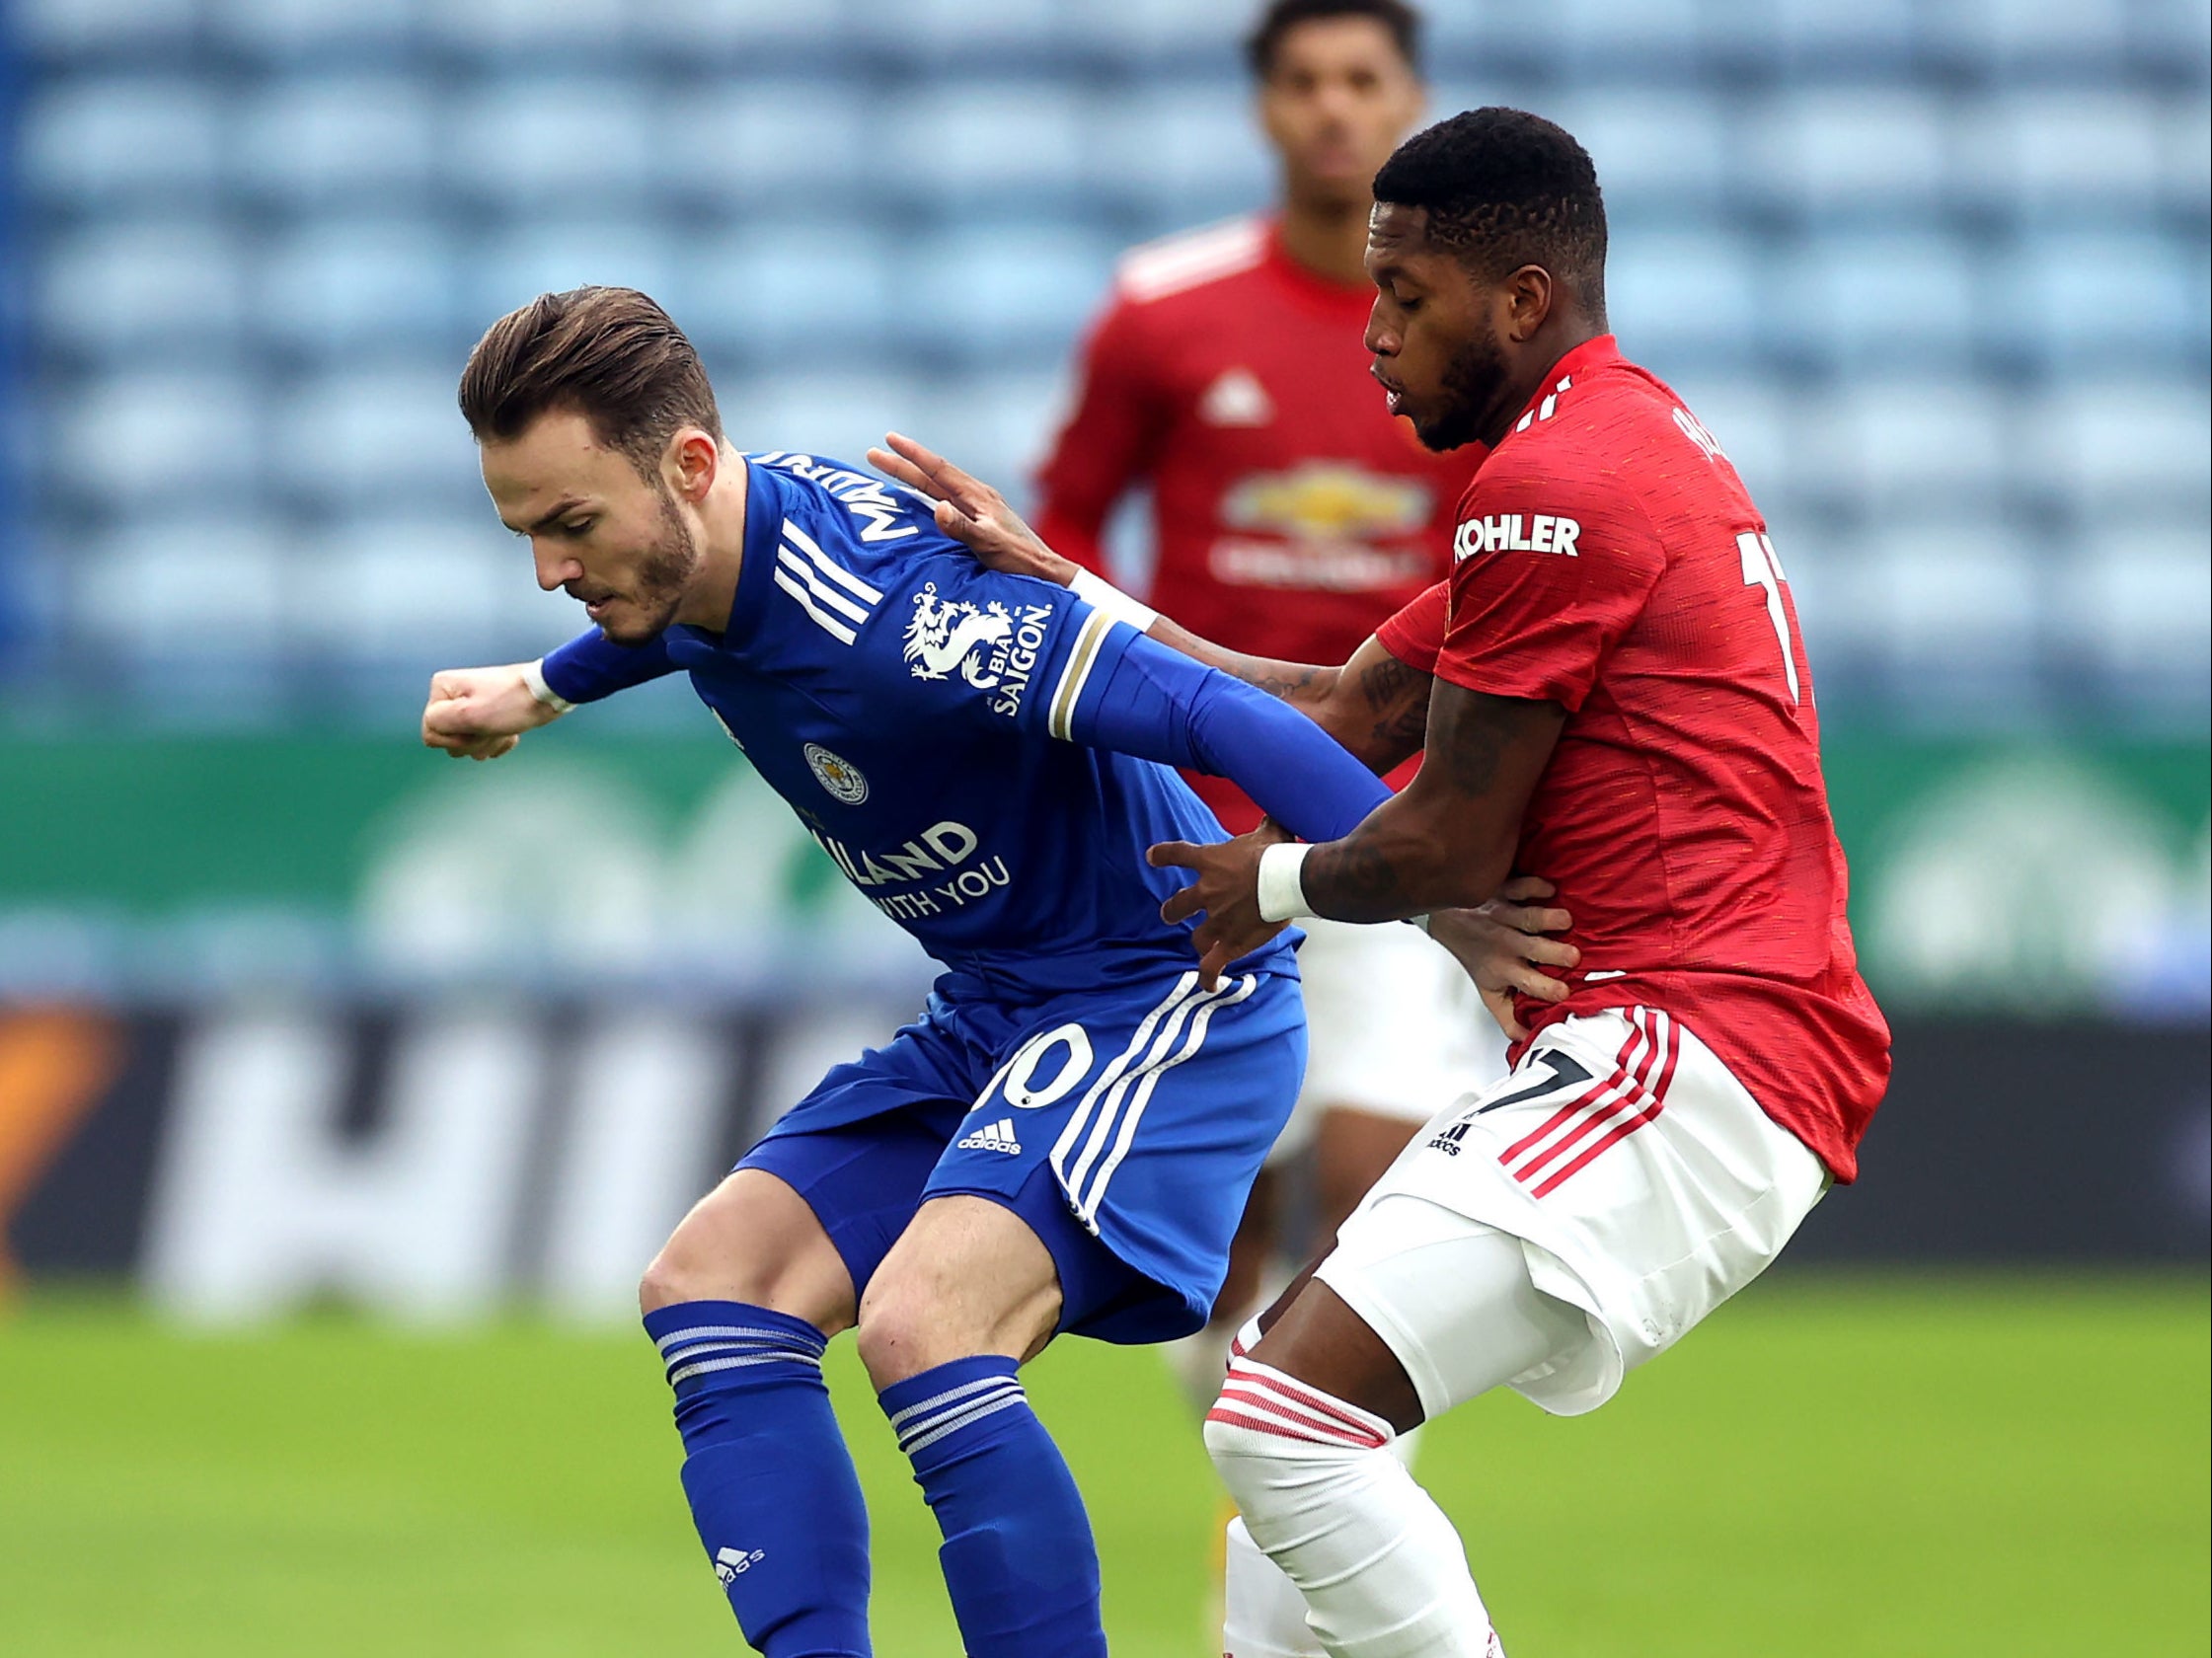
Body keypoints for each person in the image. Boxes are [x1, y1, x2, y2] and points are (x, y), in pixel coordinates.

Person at [873, 106, 1893, 1658]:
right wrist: (1064, 584)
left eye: (1405, 298)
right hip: (1676, 1053)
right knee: (1300, 1425)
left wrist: (1261, 884)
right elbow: (1347, 711)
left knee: (1276, 1418)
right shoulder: (1612, 442)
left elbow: (1448, 849)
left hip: (1694, 1052)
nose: (1373, 338)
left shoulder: (1555, 489)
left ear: (1520, 299)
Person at [418, 286, 1568, 1658]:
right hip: (1002, 1011)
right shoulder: (696, 555)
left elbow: (1211, 708)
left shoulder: (904, 614)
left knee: (925, 1324)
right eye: (528, 533)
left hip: (1160, 997)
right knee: (713, 1285)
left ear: (685, 469)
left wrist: (1439, 902)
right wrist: (539, 690)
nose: (551, 568)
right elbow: (661, 621)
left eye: (569, 526)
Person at [1034, 0, 1506, 1524]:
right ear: (1262, 110)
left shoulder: (1470, 332)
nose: (1330, 109)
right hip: (1190, 821)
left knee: (1374, 1182)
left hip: (1380, 813)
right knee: (1221, 1238)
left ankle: (1308, 1495)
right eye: (1300, 81)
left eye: (1360, 80)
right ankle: (1268, 1435)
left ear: (1409, 101)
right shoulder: (1162, 312)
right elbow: (1059, 531)